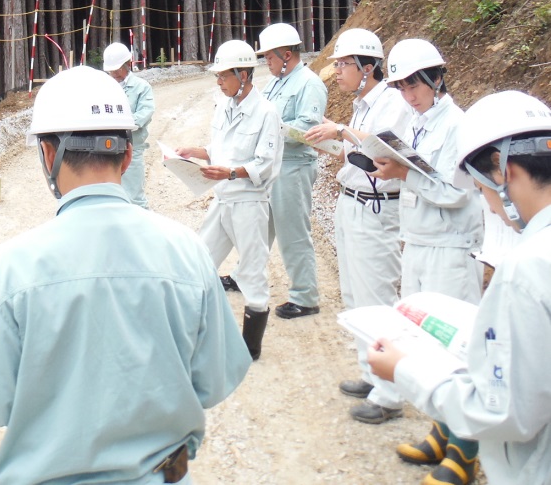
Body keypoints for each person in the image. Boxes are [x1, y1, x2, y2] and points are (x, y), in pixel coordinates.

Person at [0, 65, 250, 485]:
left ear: (48, 155)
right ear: (127, 156)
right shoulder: (189, 253)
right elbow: (217, 379)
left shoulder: (10, 267)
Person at [369, 91, 551, 485]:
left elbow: (503, 411)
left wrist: (405, 370)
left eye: (482, 188)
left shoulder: (526, 270)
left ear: (505, 173)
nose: (487, 203)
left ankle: (461, 456)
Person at [363, 39, 483, 475]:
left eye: (414, 84)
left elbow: (454, 192)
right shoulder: (418, 122)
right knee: (427, 343)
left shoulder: (458, 125)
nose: (408, 95)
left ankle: (464, 453)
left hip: (450, 249)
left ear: (436, 78)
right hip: (418, 242)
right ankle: (442, 432)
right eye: (401, 86)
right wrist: (393, 169)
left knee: (457, 349)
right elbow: (416, 175)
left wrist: (405, 172)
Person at [305, 28, 411, 425]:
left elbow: (387, 148)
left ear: (367, 67)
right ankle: (372, 373)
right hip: (352, 204)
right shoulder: (362, 104)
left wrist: (343, 132)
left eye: (344, 64)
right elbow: (357, 150)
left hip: (378, 207)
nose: (338, 71)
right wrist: (334, 140)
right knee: (354, 295)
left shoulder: (391, 103)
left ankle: (390, 393)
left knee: (376, 297)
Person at [174, 39, 283, 360]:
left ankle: (250, 348)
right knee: (199, 262)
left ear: (244, 75)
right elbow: (219, 148)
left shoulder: (266, 113)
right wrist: (196, 153)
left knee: (251, 271)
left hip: (249, 204)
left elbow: (266, 163)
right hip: (222, 201)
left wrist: (231, 173)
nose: (219, 81)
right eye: (217, 76)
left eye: (224, 76)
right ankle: (196, 335)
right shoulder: (223, 106)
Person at [256, 22, 327, 320]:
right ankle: (243, 275)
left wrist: (272, 131)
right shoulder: (274, 83)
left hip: (294, 167)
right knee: (259, 227)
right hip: (272, 166)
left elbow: (310, 129)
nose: (267, 63)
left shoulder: (309, 84)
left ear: (286, 55)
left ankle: (305, 296)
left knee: (293, 233)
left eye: (270, 57)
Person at [103, 41, 155, 208]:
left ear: (128, 64)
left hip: (132, 147)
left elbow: (145, 113)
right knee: (110, 195)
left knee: (134, 198)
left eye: (118, 68)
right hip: (106, 148)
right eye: (111, 70)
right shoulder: (105, 87)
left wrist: (121, 123)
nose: (115, 73)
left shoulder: (141, 87)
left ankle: (143, 232)